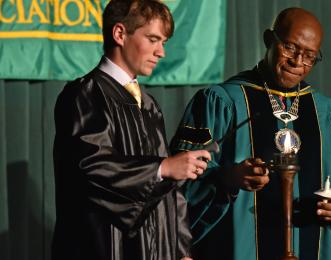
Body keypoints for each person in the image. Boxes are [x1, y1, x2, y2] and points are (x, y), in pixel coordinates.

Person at [170, 7, 331, 260]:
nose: (298, 62)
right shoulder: (222, 102)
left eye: (310, 56)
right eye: (290, 48)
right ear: (269, 40)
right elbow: (177, 183)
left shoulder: (329, 114)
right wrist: (228, 178)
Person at [51, 1, 211, 259]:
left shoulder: (148, 104)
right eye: (153, 39)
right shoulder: (85, 95)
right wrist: (162, 167)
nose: (161, 52)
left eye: (164, 42)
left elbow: (169, 189)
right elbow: (92, 169)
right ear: (120, 34)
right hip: (103, 245)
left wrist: (182, 250)